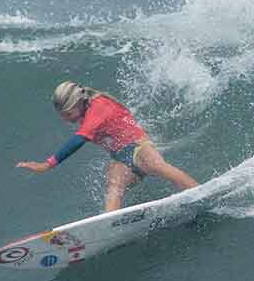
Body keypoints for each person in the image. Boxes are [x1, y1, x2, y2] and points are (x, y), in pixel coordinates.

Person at [17, 81, 199, 211]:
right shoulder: (86, 111)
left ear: (78, 104)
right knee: (114, 186)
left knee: (156, 165)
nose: (65, 119)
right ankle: (110, 226)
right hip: (121, 158)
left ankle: (198, 192)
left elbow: (78, 140)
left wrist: (47, 165)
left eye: (67, 113)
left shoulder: (98, 108)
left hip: (138, 147)